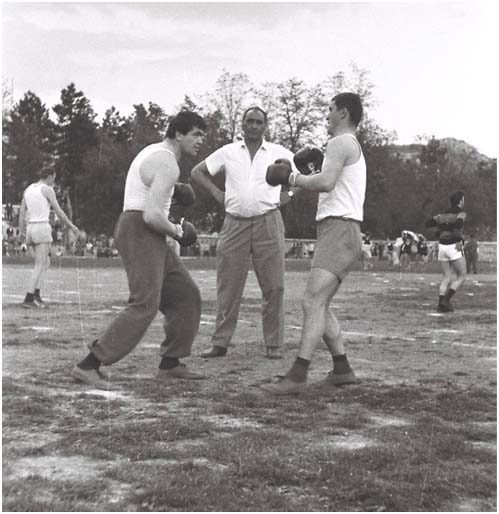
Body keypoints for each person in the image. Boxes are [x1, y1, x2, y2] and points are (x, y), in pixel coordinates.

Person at [71, 111, 207, 390]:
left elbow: (150, 197)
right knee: (145, 302)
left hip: (142, 230)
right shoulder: (168, 163)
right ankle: (89, 364)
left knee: (186, 296)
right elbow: (152, 215)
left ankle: (170, 363)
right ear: (178, 134)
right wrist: (178, 231)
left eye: (202, 135)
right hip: (140, 229)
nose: (200, 141)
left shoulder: (154, 152)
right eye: (196, 134)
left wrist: (173, 193)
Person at [262, 92, 366, 395]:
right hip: (339, 229)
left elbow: (325, 183)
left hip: (340, 228)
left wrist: (292, 178)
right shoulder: (348, 145)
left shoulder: (340, 142)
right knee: (320, 303)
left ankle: (298, 374)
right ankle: (342, 369)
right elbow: (329, 181)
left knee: (312, 301)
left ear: (344, 113)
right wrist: (306, 174)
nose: (326, 115)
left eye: (330, 109)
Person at [191, 106, 299, 360]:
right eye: (249, 121)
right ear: (242, 124)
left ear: (265, 126)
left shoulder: (279, 152)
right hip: (234, 223)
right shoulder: (228, 152)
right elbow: (197, 171)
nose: (253, 126)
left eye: (258, 122)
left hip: (268, 221)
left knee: (274, 286)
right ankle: (220, 343)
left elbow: (307, 173)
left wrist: (290, 194)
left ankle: (274, 344)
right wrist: (217, 193)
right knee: (228, 286)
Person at [18, 166, 79, 308]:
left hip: (31, 228)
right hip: (41, 227)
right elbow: (59, 211)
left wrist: (21, 232)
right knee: (40, 264)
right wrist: (72, 226)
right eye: (54, 179)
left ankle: (36, 294)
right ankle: (29, 298)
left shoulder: (28, 189)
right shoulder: (47, 189)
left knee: (46, 262)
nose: (53, 182)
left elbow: (22, 213)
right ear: (50, 176)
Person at [425, 191, 467, 312]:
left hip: (442, 246)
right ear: (460, 201)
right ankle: (446, 300)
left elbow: (428, 223)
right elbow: (458, 223)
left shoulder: (441, 215)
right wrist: (459, 238)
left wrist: (439, 232)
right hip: (454, 246)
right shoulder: (461, 213)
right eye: (463, 199)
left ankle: (440, 304)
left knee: (446, 276)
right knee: (462, 275)